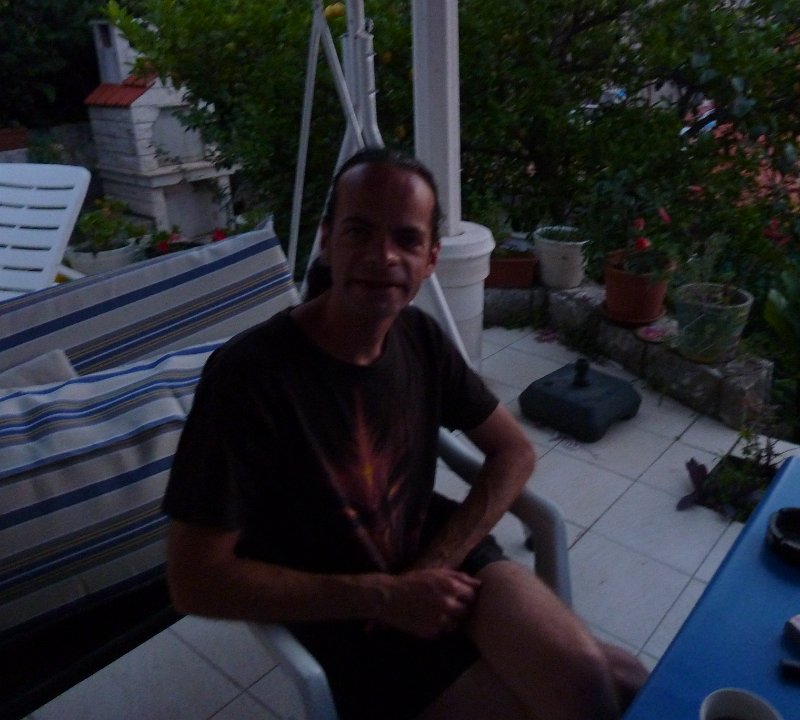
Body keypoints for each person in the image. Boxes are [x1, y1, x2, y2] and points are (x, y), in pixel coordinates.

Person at [162, 147, 647, 720]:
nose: (382, 256)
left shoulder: (419, 337)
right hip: (353, 625)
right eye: (359, 231)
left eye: (407, 239)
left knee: (614, 683)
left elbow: (513, 451)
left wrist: (434, 565)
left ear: (430, 258)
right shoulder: (249, 377)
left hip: (441, 562)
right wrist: (387, 597)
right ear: (327, 241)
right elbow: (193, 581)